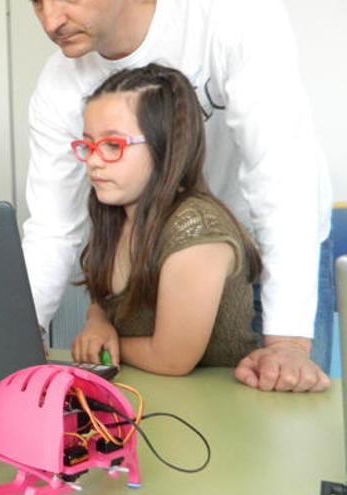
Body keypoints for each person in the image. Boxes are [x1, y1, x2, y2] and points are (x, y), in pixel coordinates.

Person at [23, 0, 332, 392]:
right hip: (154, 247)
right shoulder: (58, 82)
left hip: (265, 247)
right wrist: (19, 333)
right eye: (37, 3)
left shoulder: (231, 14)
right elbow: (53, 226)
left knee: (281, 409)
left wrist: (288, 343)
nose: (51, 21)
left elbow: (281, 176)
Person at [71, 63, 264, 375]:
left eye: (112, 145)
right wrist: (98, 321)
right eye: (89, 144)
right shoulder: (113, 212)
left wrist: (110, 340)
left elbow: (172, 360)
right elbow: (104, 299)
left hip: (210, 410)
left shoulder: (196, 229)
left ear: (166, 146)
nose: (93, 161)